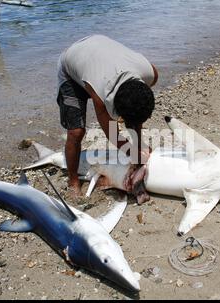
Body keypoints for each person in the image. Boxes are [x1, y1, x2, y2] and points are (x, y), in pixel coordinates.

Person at [56, 34, 159, 196]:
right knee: (76, 132)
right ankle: (73, 180)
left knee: (134, 114)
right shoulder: (100, 94)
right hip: (71, 65)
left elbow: (135, 114)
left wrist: (139, 145)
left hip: (98, 53)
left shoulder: (149, 73)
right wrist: (132, 154)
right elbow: (112, 134)